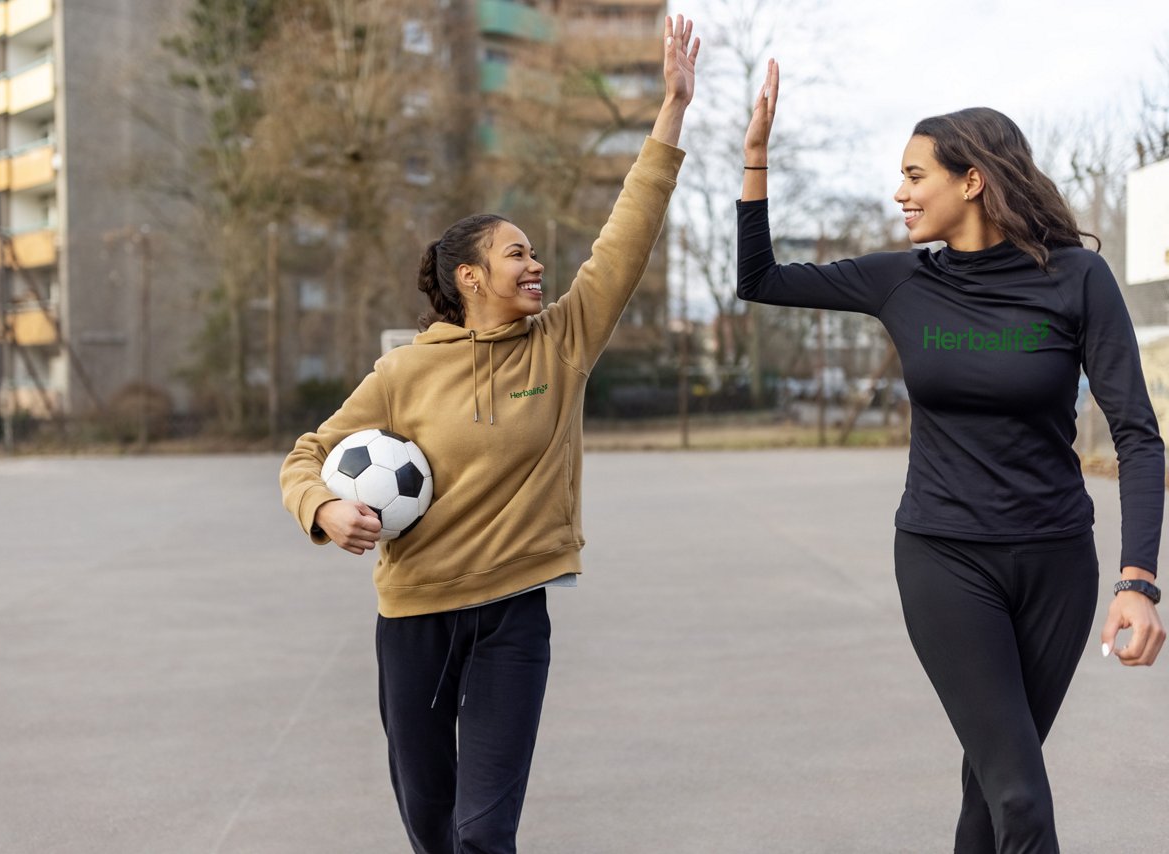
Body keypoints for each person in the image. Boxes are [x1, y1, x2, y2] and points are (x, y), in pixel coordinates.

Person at [279, 16, 699, 853]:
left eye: (536, 251)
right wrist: (324, 511)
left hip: (512, 618)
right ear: (470, 276)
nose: (535, 263)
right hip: (414, 619)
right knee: (432, 826)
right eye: (517, 253)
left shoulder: (564, 341)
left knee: (482, 833)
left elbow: (628, 233)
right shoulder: (402, 373)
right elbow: (306, 458)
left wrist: (671, 112)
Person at [736, 60, 1165, 853]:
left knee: (992, 788)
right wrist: (755, 154)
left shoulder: (1078, 279)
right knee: (1021, 799)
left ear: (972, 181)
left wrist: (1138, 580)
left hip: (1056, 564)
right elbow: (758, 278)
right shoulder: (900, 281)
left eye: (913, 175)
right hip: (944, 558)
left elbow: (1137, 433)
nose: (899, 193)